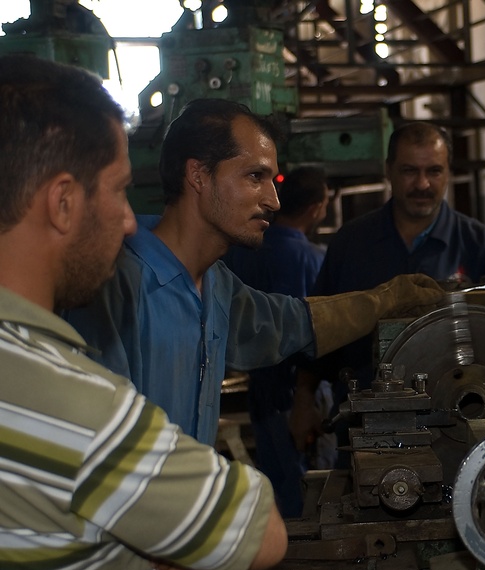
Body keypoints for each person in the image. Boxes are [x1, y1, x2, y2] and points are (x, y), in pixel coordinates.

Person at [0, 54, 286, 570]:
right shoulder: (75, 405)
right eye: (120, 190)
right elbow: (259, 533)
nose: (131, 220)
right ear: (63, 203)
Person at [63, 99, 444, 453]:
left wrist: (386, 299)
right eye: (255, 176)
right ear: (198, 175)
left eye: (272, 180)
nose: (273, 201)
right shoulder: (116, 286)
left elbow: (287, 324)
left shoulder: (216, 285)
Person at [292, 120, 485, 450]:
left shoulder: (483, 247)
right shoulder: (351, 244)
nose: (422, 184)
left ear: (448, 172)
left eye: (434, 171)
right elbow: (320, 327)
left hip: (458, 431)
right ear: (389, 170)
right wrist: (303, 400)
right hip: (365, 430)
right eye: (409, 171)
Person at [222, 166, 331, 517]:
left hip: (261, 389)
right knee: (315, 490)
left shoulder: (241, 251)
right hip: (303, 393)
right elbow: (322, 332)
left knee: (276, 487)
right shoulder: (314, 260)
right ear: (317, 207)